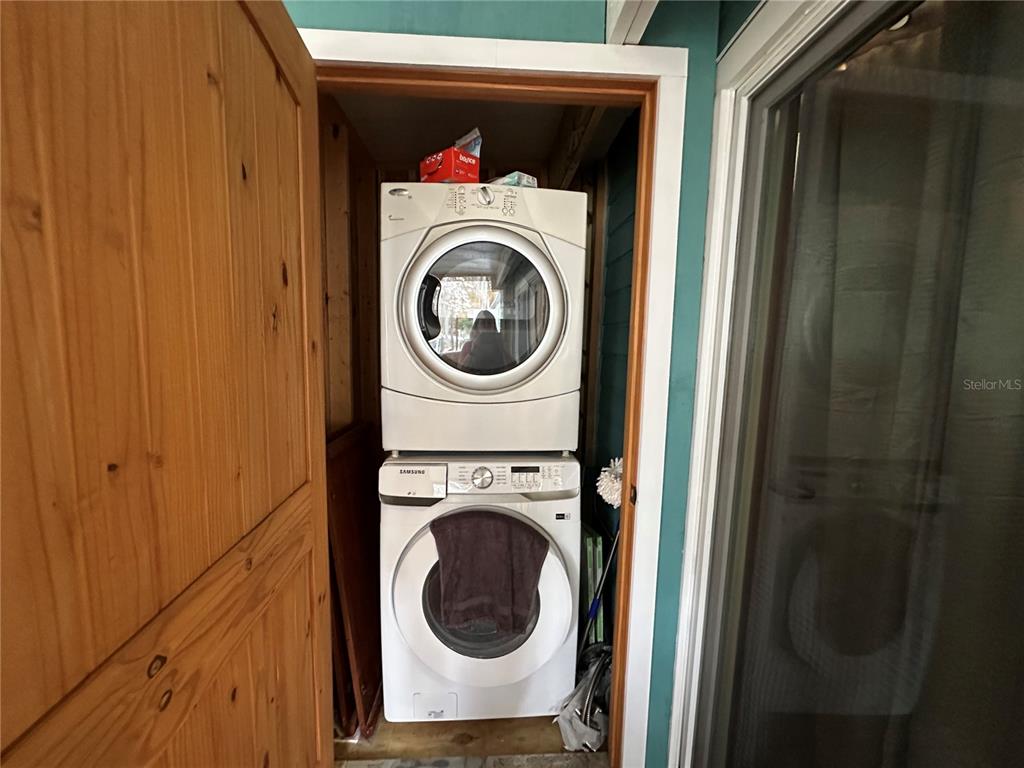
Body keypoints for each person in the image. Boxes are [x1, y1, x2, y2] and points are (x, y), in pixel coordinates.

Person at [458, 310, 512, 374]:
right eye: (483, 323)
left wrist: (501, 348)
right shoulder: (469, 345)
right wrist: (474, 348)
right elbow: (461, 370)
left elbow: (511, 367)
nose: (486, 326)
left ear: (494, 326)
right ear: (477, 326)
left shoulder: (498, 345)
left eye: (489, 323)